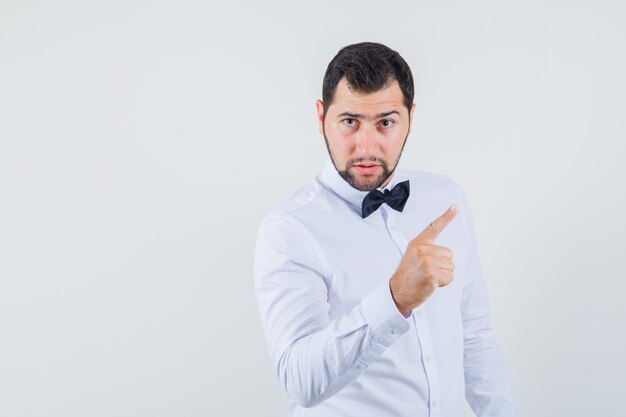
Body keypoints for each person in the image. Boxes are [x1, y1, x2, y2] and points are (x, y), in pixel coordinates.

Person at [254, 42, 518, 417]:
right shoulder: (289, 229)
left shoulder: (446, 198)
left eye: (385, 123)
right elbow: (300, 380)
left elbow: (474, 337)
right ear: (320, 117)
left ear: (410, 117)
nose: (366, 145)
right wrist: (394, 300)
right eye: (349, 122)